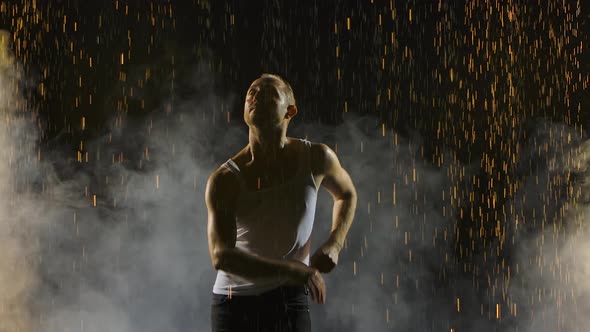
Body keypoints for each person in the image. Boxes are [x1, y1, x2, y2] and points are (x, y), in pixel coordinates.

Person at [205, 73, 357, 331]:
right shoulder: (225, 179)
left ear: (291, 110)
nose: (256, 96)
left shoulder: (317, 158)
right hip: (234, 303)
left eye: (269, 93)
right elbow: (222, 256)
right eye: (251, 92)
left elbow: (347, 194)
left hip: (290, 300)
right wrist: (292, 271)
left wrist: (335, 243)